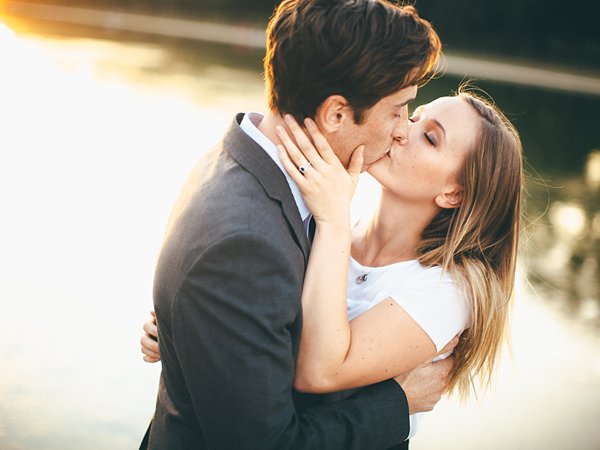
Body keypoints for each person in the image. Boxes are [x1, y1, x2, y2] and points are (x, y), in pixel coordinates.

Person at [140, 1, 452, 449]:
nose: (402, 130)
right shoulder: (245, 245)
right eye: (400, 109)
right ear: (336, 114)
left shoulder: (246, 165)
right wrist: (397, 405)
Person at [142, 88, 523, 441]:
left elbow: (317, 371)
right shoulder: (334, 223)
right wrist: (191, 322)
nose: (403, 131)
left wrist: (334, 220)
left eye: (431, 137)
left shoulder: (446, 291)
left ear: (453, 192)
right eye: (414, 116)